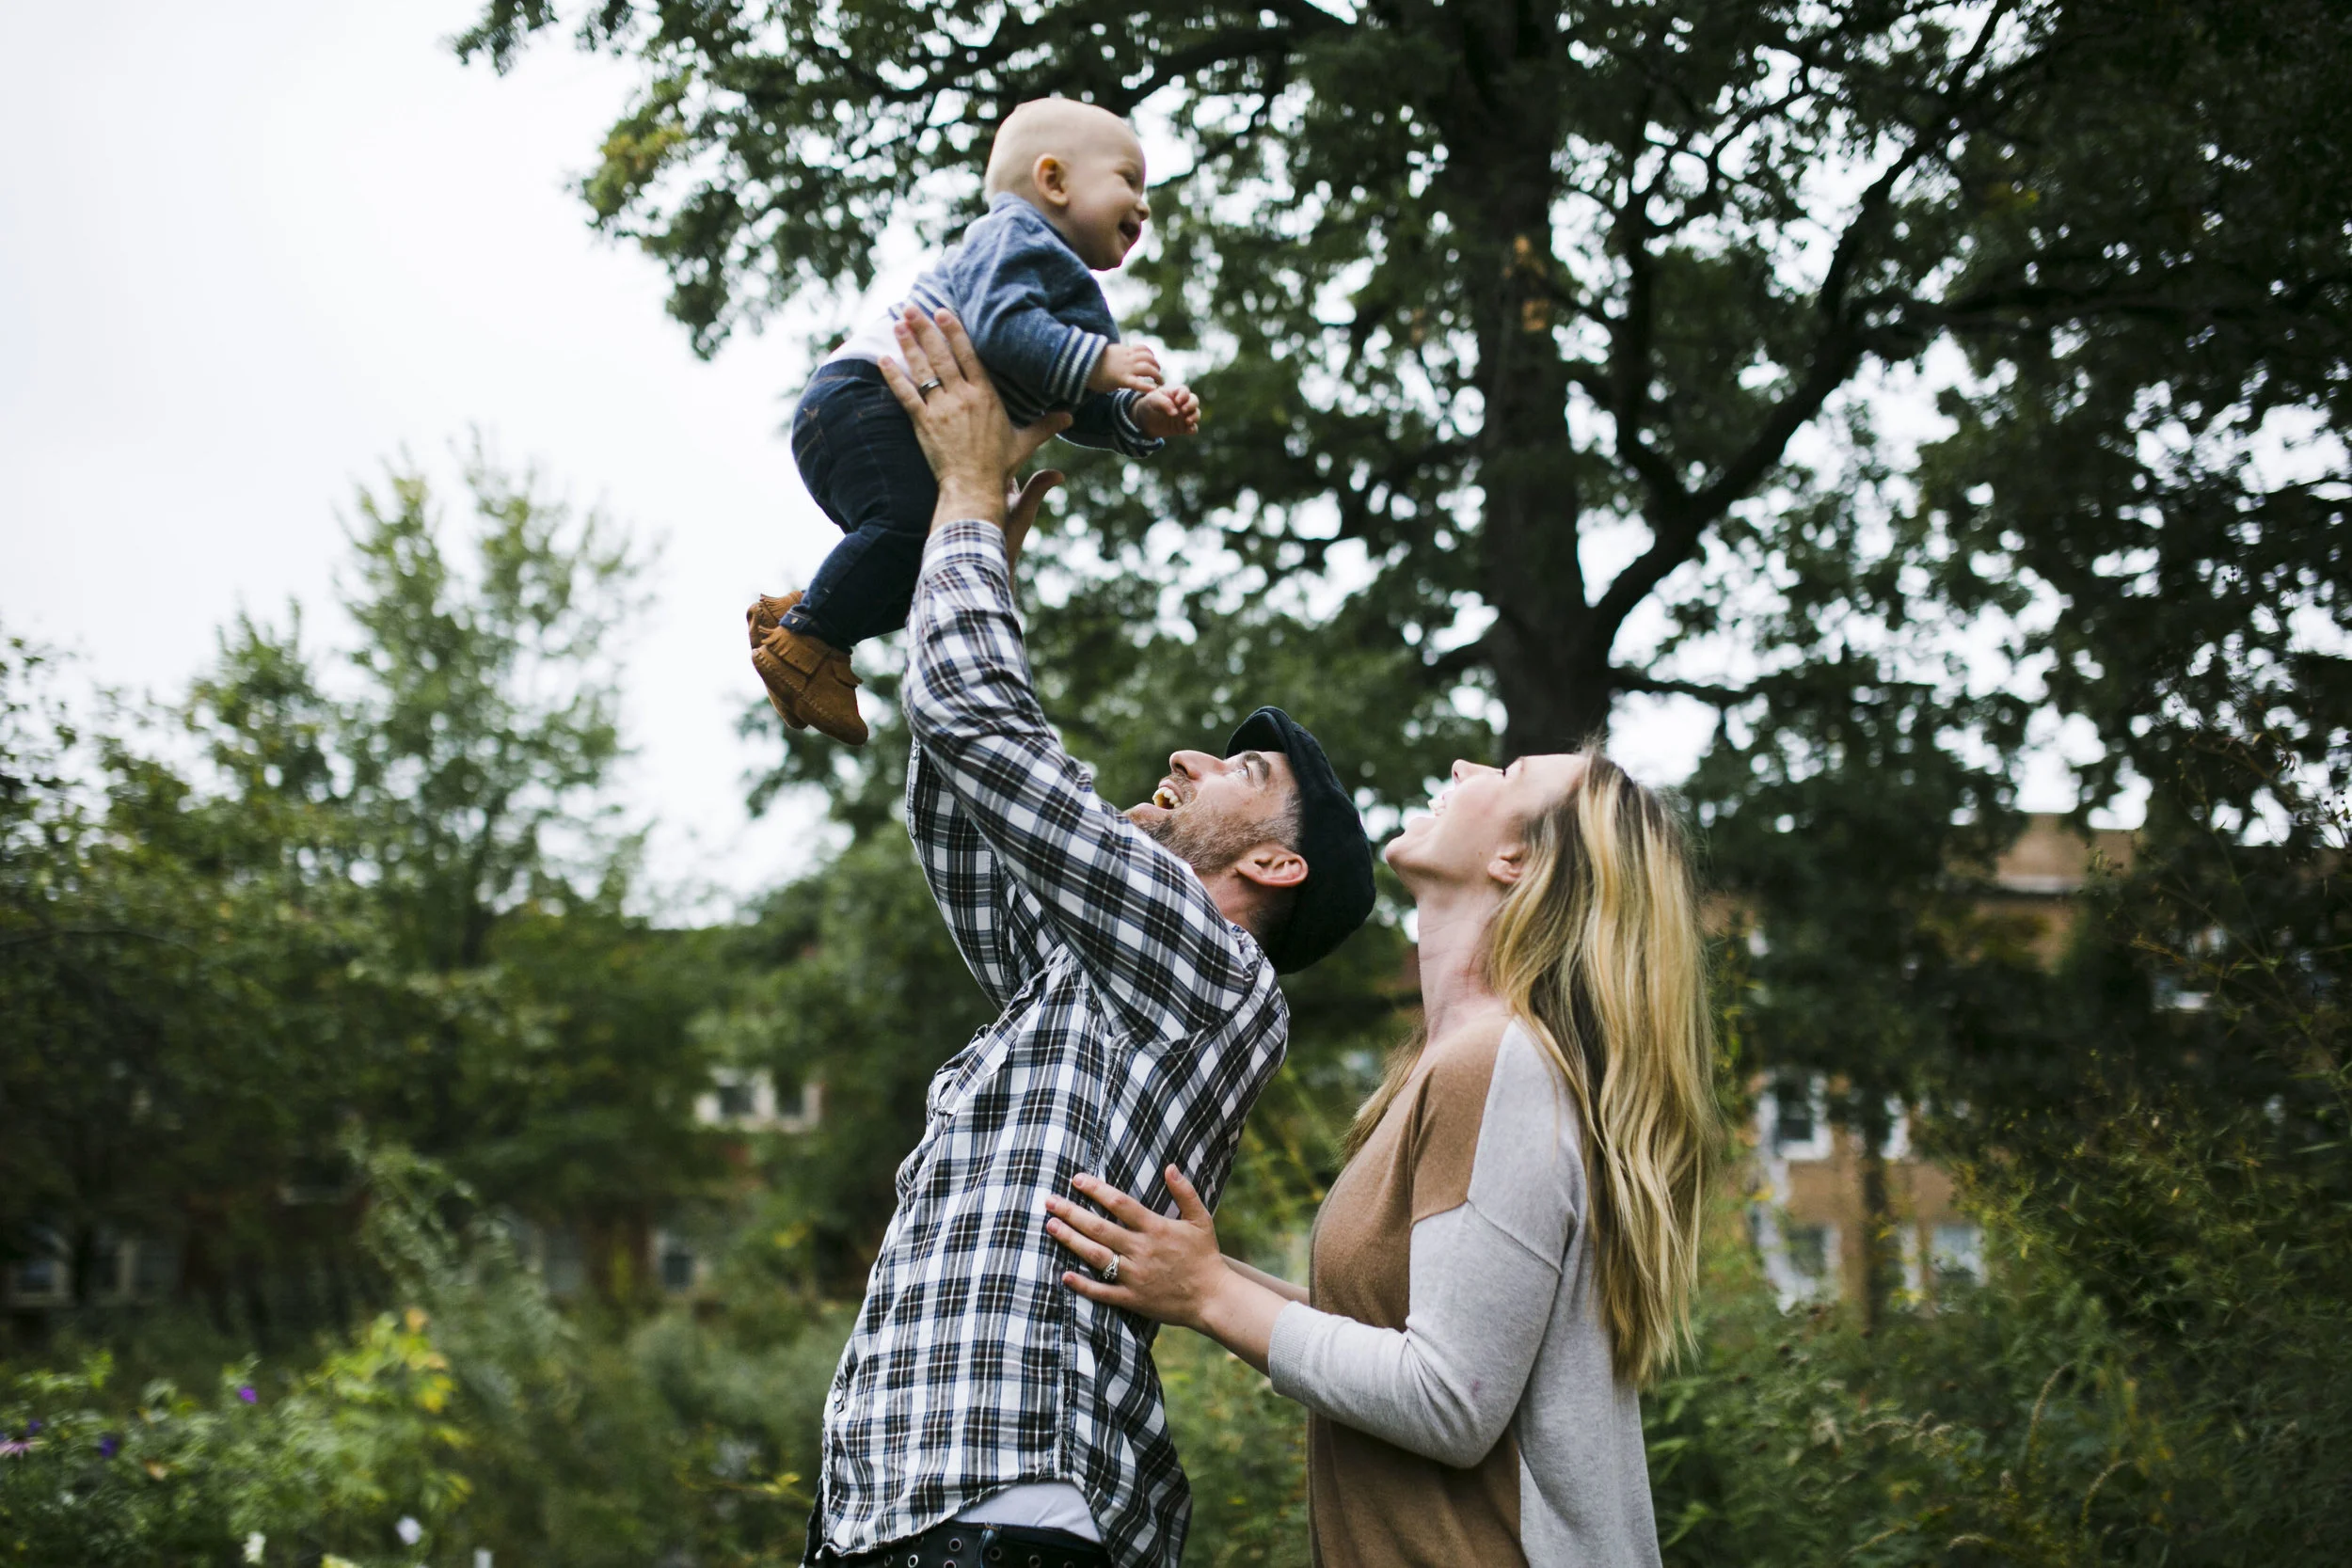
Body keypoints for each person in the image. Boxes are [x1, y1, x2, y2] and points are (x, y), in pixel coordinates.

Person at [798, 305, 1376, 1568]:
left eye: (1238, 765)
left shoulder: (1212, 975)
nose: (1186, 753)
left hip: (1011, 1516)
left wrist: (961, 484)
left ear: (1275, 862)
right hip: (901, 1513)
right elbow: (958, 791)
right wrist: (966, 544)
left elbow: (979, 720)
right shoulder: (1087, 985)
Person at [1045, 748, 1720, 1566]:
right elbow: (1389, 1334)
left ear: (1517, 860)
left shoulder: (1502, 1063)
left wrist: (1211, 1291)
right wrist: (1196, 1271)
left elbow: (1449, 1400)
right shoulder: (1451, 1069)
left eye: (1506, 776)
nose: (1469, 765)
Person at [750, 98, 1200, 746]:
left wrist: (1137, 414)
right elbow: (1003, 328)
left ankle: (799, 617)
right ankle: (806, 645)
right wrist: (1100, 359)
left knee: (940, 568)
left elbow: (1070, 402)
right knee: (910, 526)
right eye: (1129, 180)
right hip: (867, 397)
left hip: (885, 415)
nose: (1145, 203)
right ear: (1054, 182)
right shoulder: (1014, 237)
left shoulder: (1067, 290)